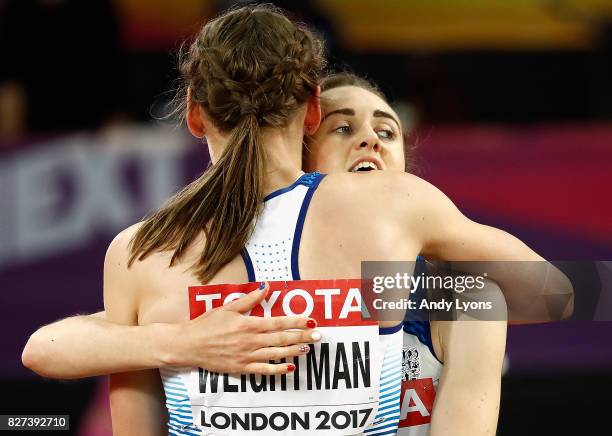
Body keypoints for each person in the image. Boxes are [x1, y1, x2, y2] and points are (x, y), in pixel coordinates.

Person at [23, 5, 572, 435]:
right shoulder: (396, 205)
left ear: (193, 113)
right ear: (310, 112)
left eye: (386, 130)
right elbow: (558, 292)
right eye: (342, 125)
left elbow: (52, 353)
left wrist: (177, 343)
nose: (369, 142)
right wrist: (382, 291)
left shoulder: (140, 253)